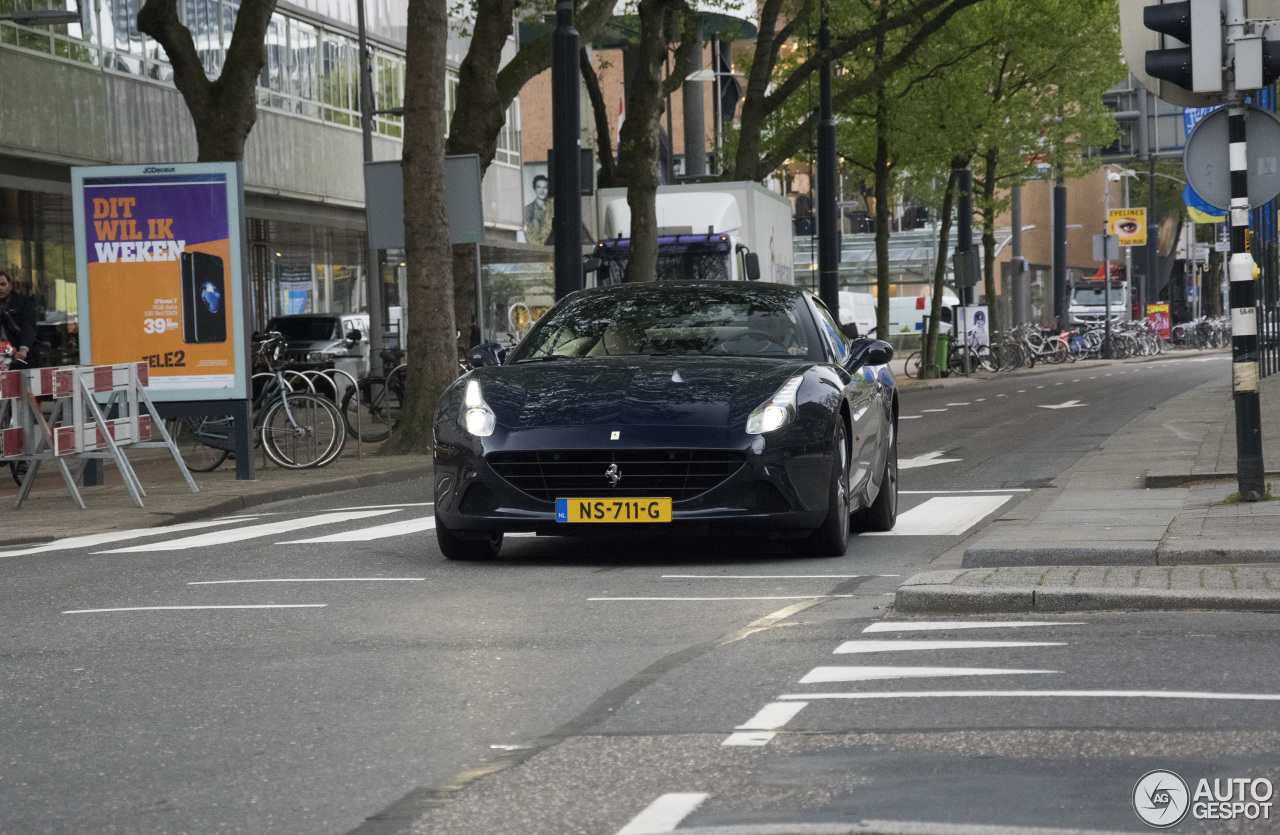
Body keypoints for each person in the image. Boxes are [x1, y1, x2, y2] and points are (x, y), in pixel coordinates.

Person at [0, 270, 38, 367]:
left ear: (10, 285)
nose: (0, 288)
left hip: (20, 356)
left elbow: (29, 327)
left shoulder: (24, 303)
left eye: (3, 284)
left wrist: (23, 349)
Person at [523, 175, 553, 245]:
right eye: (539, 187)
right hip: (537, 249)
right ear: (535, 189)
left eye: (545, 187)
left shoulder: (552, 207)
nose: (542, 190)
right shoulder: (528, 210)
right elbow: (529, 236)